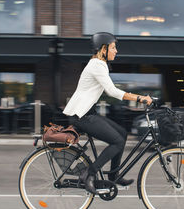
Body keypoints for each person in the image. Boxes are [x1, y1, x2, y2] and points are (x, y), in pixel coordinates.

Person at [63, 32, 152, 194]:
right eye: (113, 47)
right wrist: (140, 98)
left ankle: (113, 177)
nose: (116, 51)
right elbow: (112, 91)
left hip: (88, 113)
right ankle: (88, 174)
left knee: (122, 134)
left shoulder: (99, 65)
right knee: (117, 141)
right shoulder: (97, 64)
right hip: (81, 116)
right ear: (103, 49)